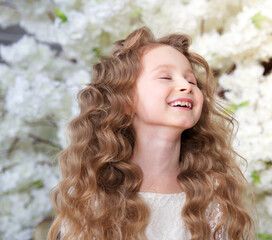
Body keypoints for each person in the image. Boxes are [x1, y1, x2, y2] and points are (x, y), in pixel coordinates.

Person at [48, 26, 255, 240]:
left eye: (191, 80)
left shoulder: (212, 192)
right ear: (125, 101)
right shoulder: (95, 196)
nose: (186, 85)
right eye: (165, 77)